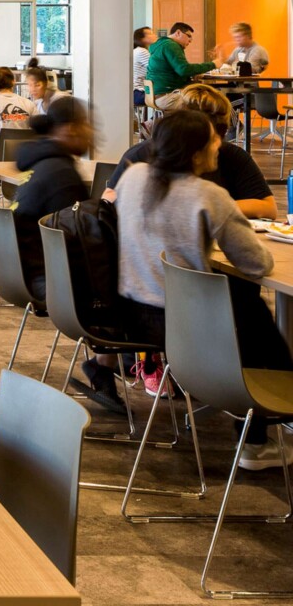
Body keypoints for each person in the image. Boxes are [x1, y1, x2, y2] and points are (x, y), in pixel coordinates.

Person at [111, 110, 290, 470]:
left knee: (246, 311)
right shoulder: (208, 194)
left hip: (133, 315)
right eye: (213, 139)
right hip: (189, 327)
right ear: (195, 152)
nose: (220, 145)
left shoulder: (132, 177)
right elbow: (258, 265)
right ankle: (256, 440)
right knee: (254, 318)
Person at [103, 83, 275, 219]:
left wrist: (208, 207)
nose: (215, 145)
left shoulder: (233, 157)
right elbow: (108, 202)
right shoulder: (142, 156)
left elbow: (268, 207)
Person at [11, 98, 94, 310]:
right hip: (46, 279)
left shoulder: (41, 164)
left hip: (18, 271)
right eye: (87, 124)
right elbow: (80, 245)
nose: (92, 133)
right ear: (71, 129)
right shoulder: (62, 176)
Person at [145, 22, 217, 111]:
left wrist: (191, 75)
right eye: (189, 36)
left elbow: (176, 71)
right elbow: (183, 69)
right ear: (178, 33)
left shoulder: (161, 45)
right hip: (167, 96)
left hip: (156, 95)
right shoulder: (170, 45)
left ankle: (152, 123)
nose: (190, 40)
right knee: (208, 103)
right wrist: (214, 64)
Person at [132, 26, 156, 107]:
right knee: (166, 99)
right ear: (141, 38)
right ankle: (152, 120)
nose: (154, 35)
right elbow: (157, 68)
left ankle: (152, 120)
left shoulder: (137, 50)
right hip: (138, 93)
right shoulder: (142, 51)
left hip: (135, 92)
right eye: (150, 34)